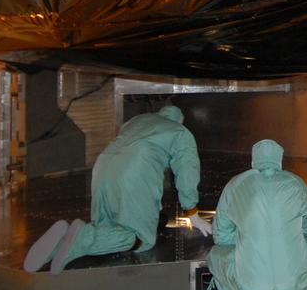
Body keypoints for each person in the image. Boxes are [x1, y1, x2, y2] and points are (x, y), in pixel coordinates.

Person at [25, 105, 208, 273]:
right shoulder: (180, 132)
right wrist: (191, 211)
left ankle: (61, 241)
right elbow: (187, 171)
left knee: (109, 225)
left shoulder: (137, 121)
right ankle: (83, 237)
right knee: (141, 239)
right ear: (179, 120)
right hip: (134, 172)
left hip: (103, 166)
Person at [207, 139, 307, 290]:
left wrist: (247, 243)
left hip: (250, 288)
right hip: (295, 287)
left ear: (254, 160)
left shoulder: (236, 184)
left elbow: (221, 236)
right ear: (279, 160)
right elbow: (305, 228)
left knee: (216, 255)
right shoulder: (296, 183)